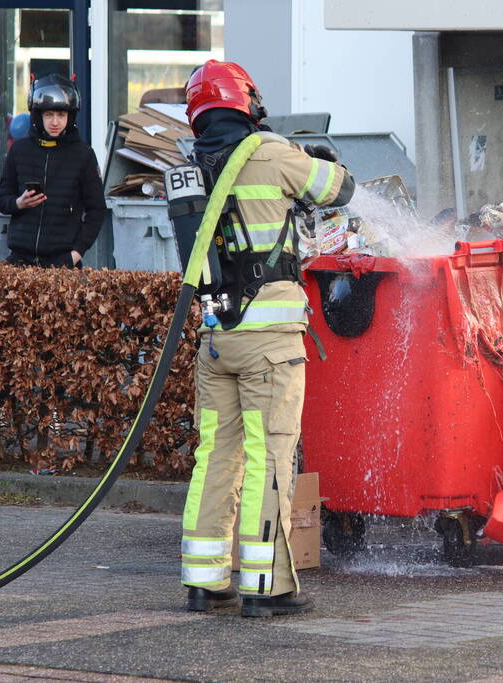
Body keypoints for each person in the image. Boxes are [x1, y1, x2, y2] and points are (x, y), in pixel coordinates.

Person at [177, 60, 354, 618]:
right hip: (270, 340)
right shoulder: (270, 152)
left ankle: (204, 581)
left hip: (215, 338)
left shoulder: (186, 165)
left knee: (214, 457)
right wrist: (320, 161)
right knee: (269, 457)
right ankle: (267, 585)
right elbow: (339, 189)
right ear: (243, 100)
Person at [0, 74, 105, 268]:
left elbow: (97, 210)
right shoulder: (19, 150)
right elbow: (2, 199)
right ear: (38, 116)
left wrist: (76, 253)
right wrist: (18, 203)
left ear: (70, 116)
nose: (55, 122)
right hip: (20, 261)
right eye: (49, 115)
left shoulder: (83, 155)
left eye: (61, 115)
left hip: (63, 262)